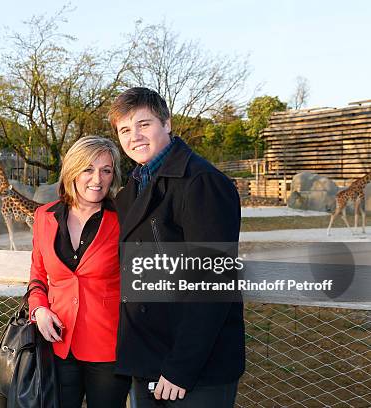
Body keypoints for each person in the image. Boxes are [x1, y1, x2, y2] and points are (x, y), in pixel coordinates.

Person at [109, 87, 245, 407]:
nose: (135, 136)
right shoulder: (132, 189)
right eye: (125, 130)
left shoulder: (201, 182)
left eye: (144, 124)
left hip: (192, 367)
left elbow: (213, 282)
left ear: (167, 124)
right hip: (148, 357)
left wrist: (181, 368)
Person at [27, 136, 132, 408]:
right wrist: (39, 310)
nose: (97, 179)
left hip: (109, 347)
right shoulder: (44, 216)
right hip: (59, 344)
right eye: (88, 169)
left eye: (106, 170)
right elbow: (38, 275)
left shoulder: (124, 218)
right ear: (72, 171)